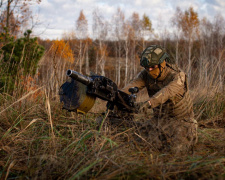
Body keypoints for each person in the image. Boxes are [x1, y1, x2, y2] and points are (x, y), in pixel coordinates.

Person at [121, 45, 198, 154]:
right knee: (137, 141)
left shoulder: (178, 76)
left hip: (182, 121)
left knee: (176, 151)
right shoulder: (145, 74)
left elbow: (167, 92)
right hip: (159, 120)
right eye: (146, 67)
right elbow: (132, 85)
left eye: (152, 67)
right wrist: (118, 96)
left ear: (162, 64)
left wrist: (148, 104)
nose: (149, 70)